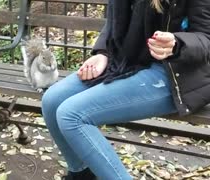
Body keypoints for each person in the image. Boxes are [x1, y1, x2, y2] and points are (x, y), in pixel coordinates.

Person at [41, 0, 210, 179]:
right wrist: (103, 53)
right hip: (124, 61)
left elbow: (206, 37)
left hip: (174, 73)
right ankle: (82, 174)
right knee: (52, 100)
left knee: (71, 115)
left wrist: (177, 44)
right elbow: (114, 22)